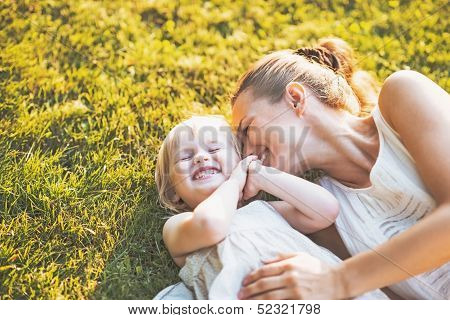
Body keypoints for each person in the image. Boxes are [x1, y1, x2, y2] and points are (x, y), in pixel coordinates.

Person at [230, 37, 450, 299]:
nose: (248, 153)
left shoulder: (403, 93)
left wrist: (339, 280)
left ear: (296, 98)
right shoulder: (324, 218)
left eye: (247, 129)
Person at [153, 115, 387, 299]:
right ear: (174, 194)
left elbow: (326, 210)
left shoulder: (265, 210)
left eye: (214, 150)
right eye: (185, 157)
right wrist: (235, 182)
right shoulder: (180, 225)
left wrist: (262, 176)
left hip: (323, 289)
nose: (201, 158)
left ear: (238, 161)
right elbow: (211, 224)